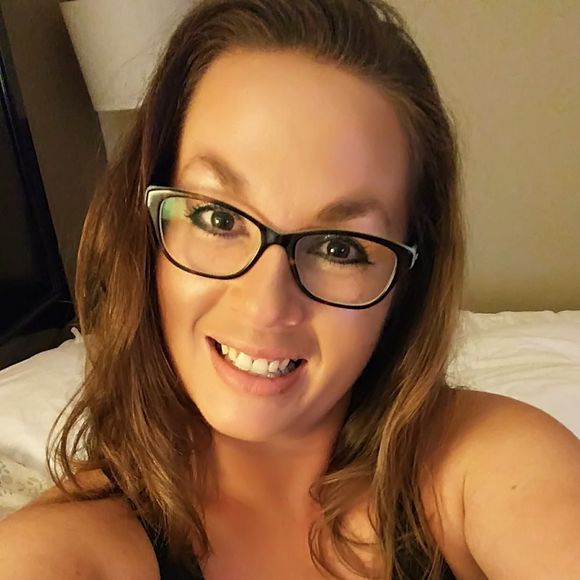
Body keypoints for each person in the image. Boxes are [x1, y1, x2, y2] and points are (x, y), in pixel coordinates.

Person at [1, 0, 580, 578]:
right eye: (218, 219)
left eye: (339, 248)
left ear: (406, 281)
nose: (265, 305)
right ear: (146, 231)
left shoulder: (487, 462)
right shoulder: (67, 547)